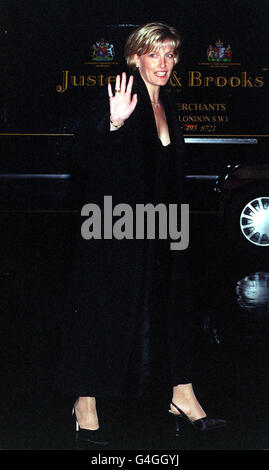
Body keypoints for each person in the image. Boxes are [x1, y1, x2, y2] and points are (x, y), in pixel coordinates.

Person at [57, 22, 226, 446]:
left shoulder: (165, 101)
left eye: (170, 54)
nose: (164, 63)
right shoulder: (118, 96)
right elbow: (81, 156)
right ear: (135, 57)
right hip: (115, 225)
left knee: (176, 308)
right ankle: (85, 403)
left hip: (162, 227)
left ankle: (182, 394)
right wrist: (111, 125)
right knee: (103, 315)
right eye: (155, 54)